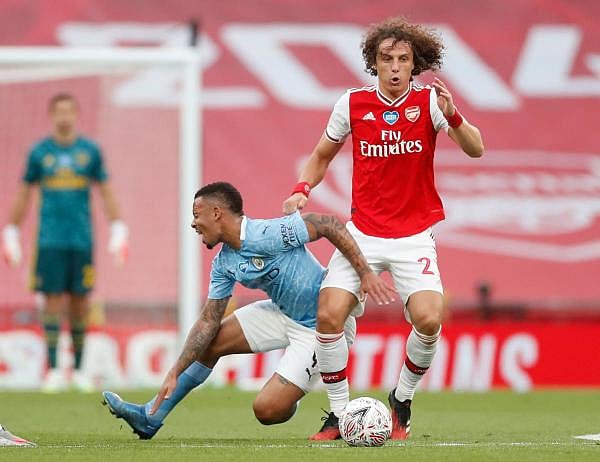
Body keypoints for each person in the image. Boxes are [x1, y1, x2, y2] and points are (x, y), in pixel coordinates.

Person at [283, 16, 485, 440]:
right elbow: (321, 155)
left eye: (404, 59)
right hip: (362, 233)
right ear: (374, 64)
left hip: (414, 236)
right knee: (328, 314)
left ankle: (402, 400)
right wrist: (302, 188)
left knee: (430, 320)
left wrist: (455, 115)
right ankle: (339, 415)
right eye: (386, 59)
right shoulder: (352, 104)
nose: (395, 67)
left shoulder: (431, 102)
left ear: (416, 64)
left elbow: (476, 149)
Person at [102, 181, 395, 439]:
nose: (193, 224)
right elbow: (207, 321)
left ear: (217, 213)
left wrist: (365, 273)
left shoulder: (268, 233)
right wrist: (175, 371)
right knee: (211, 340)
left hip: (321, 325)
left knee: (268, 410)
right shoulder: (223, 263)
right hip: (281, 313)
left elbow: (329, 224)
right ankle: (151, 417)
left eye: (196, 215)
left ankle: (299, 387)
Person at [2, 93, 128, 392]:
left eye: (69, 111)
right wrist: (11, 230)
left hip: (81, 240)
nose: (64, 116)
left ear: (75, 114)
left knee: (81, 302)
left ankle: (81, 369)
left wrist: (118, 226)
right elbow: (24, 193)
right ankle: (55, 369)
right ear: (52, 115)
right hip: (49, 241)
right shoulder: (40, 153)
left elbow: (106, 190)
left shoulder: (89, 152)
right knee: (52, 301)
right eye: (59, 111)